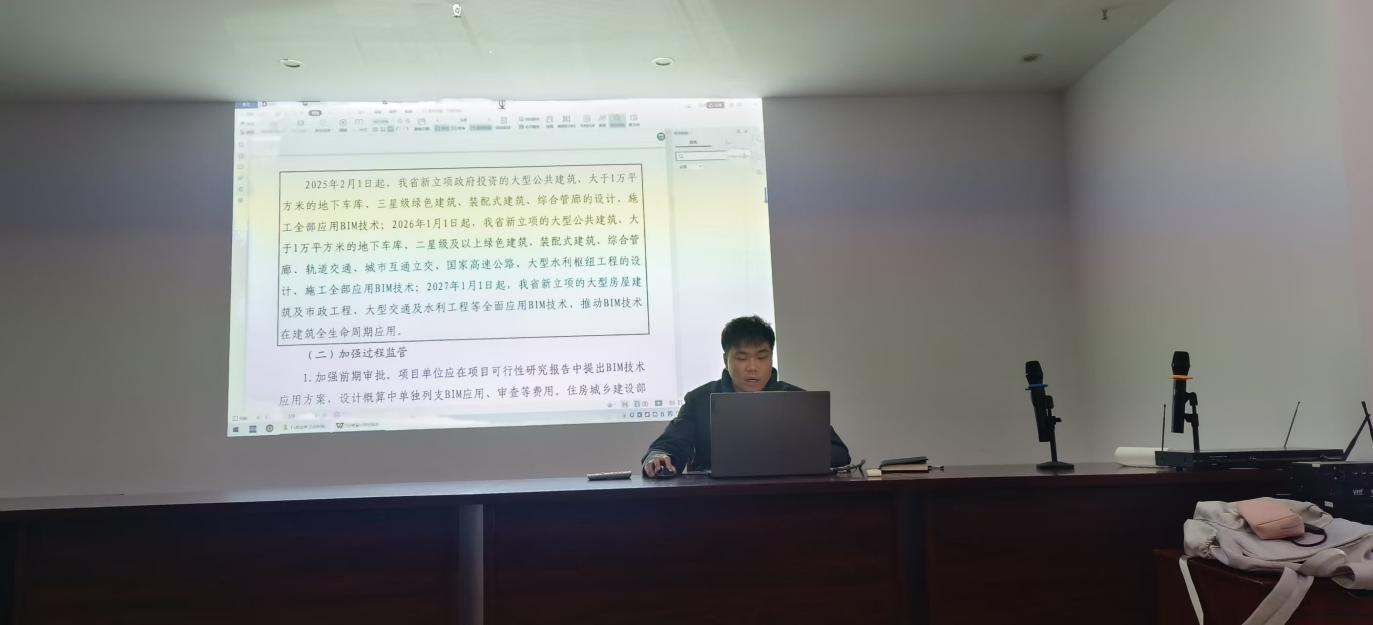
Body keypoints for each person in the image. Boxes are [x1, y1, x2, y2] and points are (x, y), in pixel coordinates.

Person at [641, 315, 851, 477]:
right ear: (726, 360)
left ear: (771, 358)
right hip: (714, 500)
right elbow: (671, 444)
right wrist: (660, 456)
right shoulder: (700, 400)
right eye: (742, 358)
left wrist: (789, 454)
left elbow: (838, 453)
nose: (752, 367)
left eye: (762, 357)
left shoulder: (797, 399)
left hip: (784, 497)